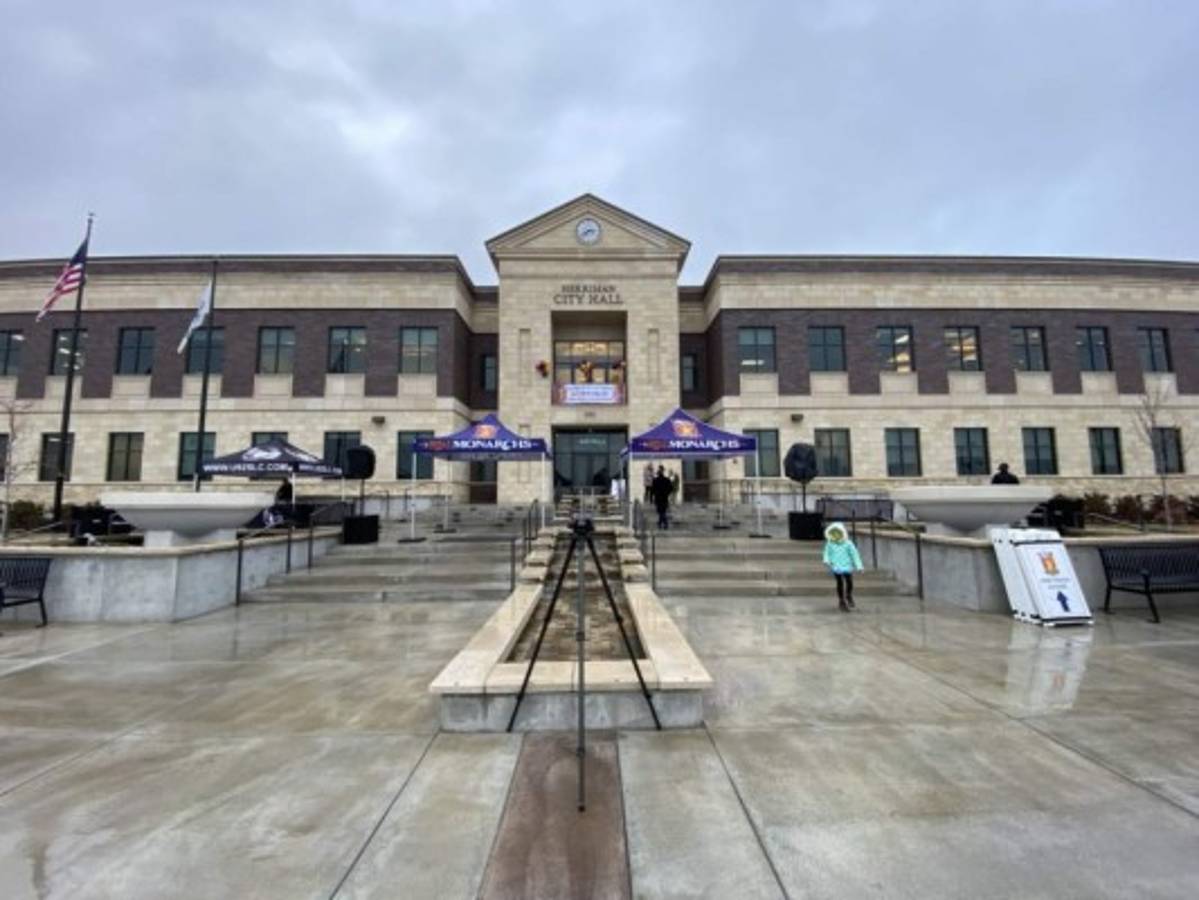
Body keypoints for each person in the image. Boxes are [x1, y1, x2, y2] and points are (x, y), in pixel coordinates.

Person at [823, 521, 864, 612]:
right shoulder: (830, 543)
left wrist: (859, 566)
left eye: (838, 532)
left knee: (849, 581)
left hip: (847, 565)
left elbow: (854, 554)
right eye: (834, 533)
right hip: (836, 566)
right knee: (839, 582)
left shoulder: (848, 543)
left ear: (843, 532)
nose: (836, 535)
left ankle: (848, 595)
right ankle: (841, 600)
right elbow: (826, 552)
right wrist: (826, 560)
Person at [651, 465, 673, 529]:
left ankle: (664, 523)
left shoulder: (655, 480)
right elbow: (671, 488)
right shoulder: (666, 480)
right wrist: (667, 493)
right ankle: (661, 523)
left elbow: (653, 490)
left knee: (661, 512)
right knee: (663, 511)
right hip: (664, 498)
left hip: (658, 498)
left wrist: (653, 496)